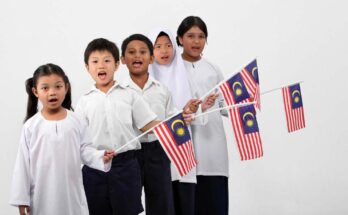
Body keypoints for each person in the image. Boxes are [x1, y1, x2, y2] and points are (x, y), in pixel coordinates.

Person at [9, 63, 114, 215]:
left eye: (58, 86)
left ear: (66, 87)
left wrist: (101, 156)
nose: (52, 92)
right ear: (35, 91)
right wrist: (21, 201)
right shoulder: (31, 126)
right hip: (40, 196)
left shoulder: (76, 120)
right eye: (45, 88)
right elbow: (23, 165)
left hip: (71, 194)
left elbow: (85, 150)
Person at [75, 38, 158, 215]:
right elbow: (79, 140)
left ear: (117, 64)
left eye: (107, 60)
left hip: (126, 166)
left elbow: (149, 125)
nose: (101, 66)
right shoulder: (84, 102)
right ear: (87, 67)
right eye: (95, 61)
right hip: (95, 167)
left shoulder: (129, 95)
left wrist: (179, 119)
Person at [121, 33, 195, 215]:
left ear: (151, 58)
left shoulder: (162, 90)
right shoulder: (118, 91)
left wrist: (182, 117)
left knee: (162, 203)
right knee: (128, 203)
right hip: (130, 153)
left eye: (143, 52)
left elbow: (171, 119)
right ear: (122, 59)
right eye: (131, 52)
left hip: (158, 151)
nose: (137, 56)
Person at [148, 27, 216, 215]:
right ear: (151, 51)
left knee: (184, 200)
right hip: (156, 150)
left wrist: (201, 108)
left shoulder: (183, 74)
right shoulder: (146, 79)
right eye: (158, 46)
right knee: (161, 200)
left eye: (168, 46)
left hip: (181, 147)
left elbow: (193, 116)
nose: (164, 51)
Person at [176, 16, 229, 215]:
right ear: (180, 39)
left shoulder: (213, 69)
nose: (196, 41)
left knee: (214, 202)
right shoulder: (172, 69)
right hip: (184, 147)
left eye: (201, 36)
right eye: (190, 36)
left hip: (213, 147)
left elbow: (225, 105)